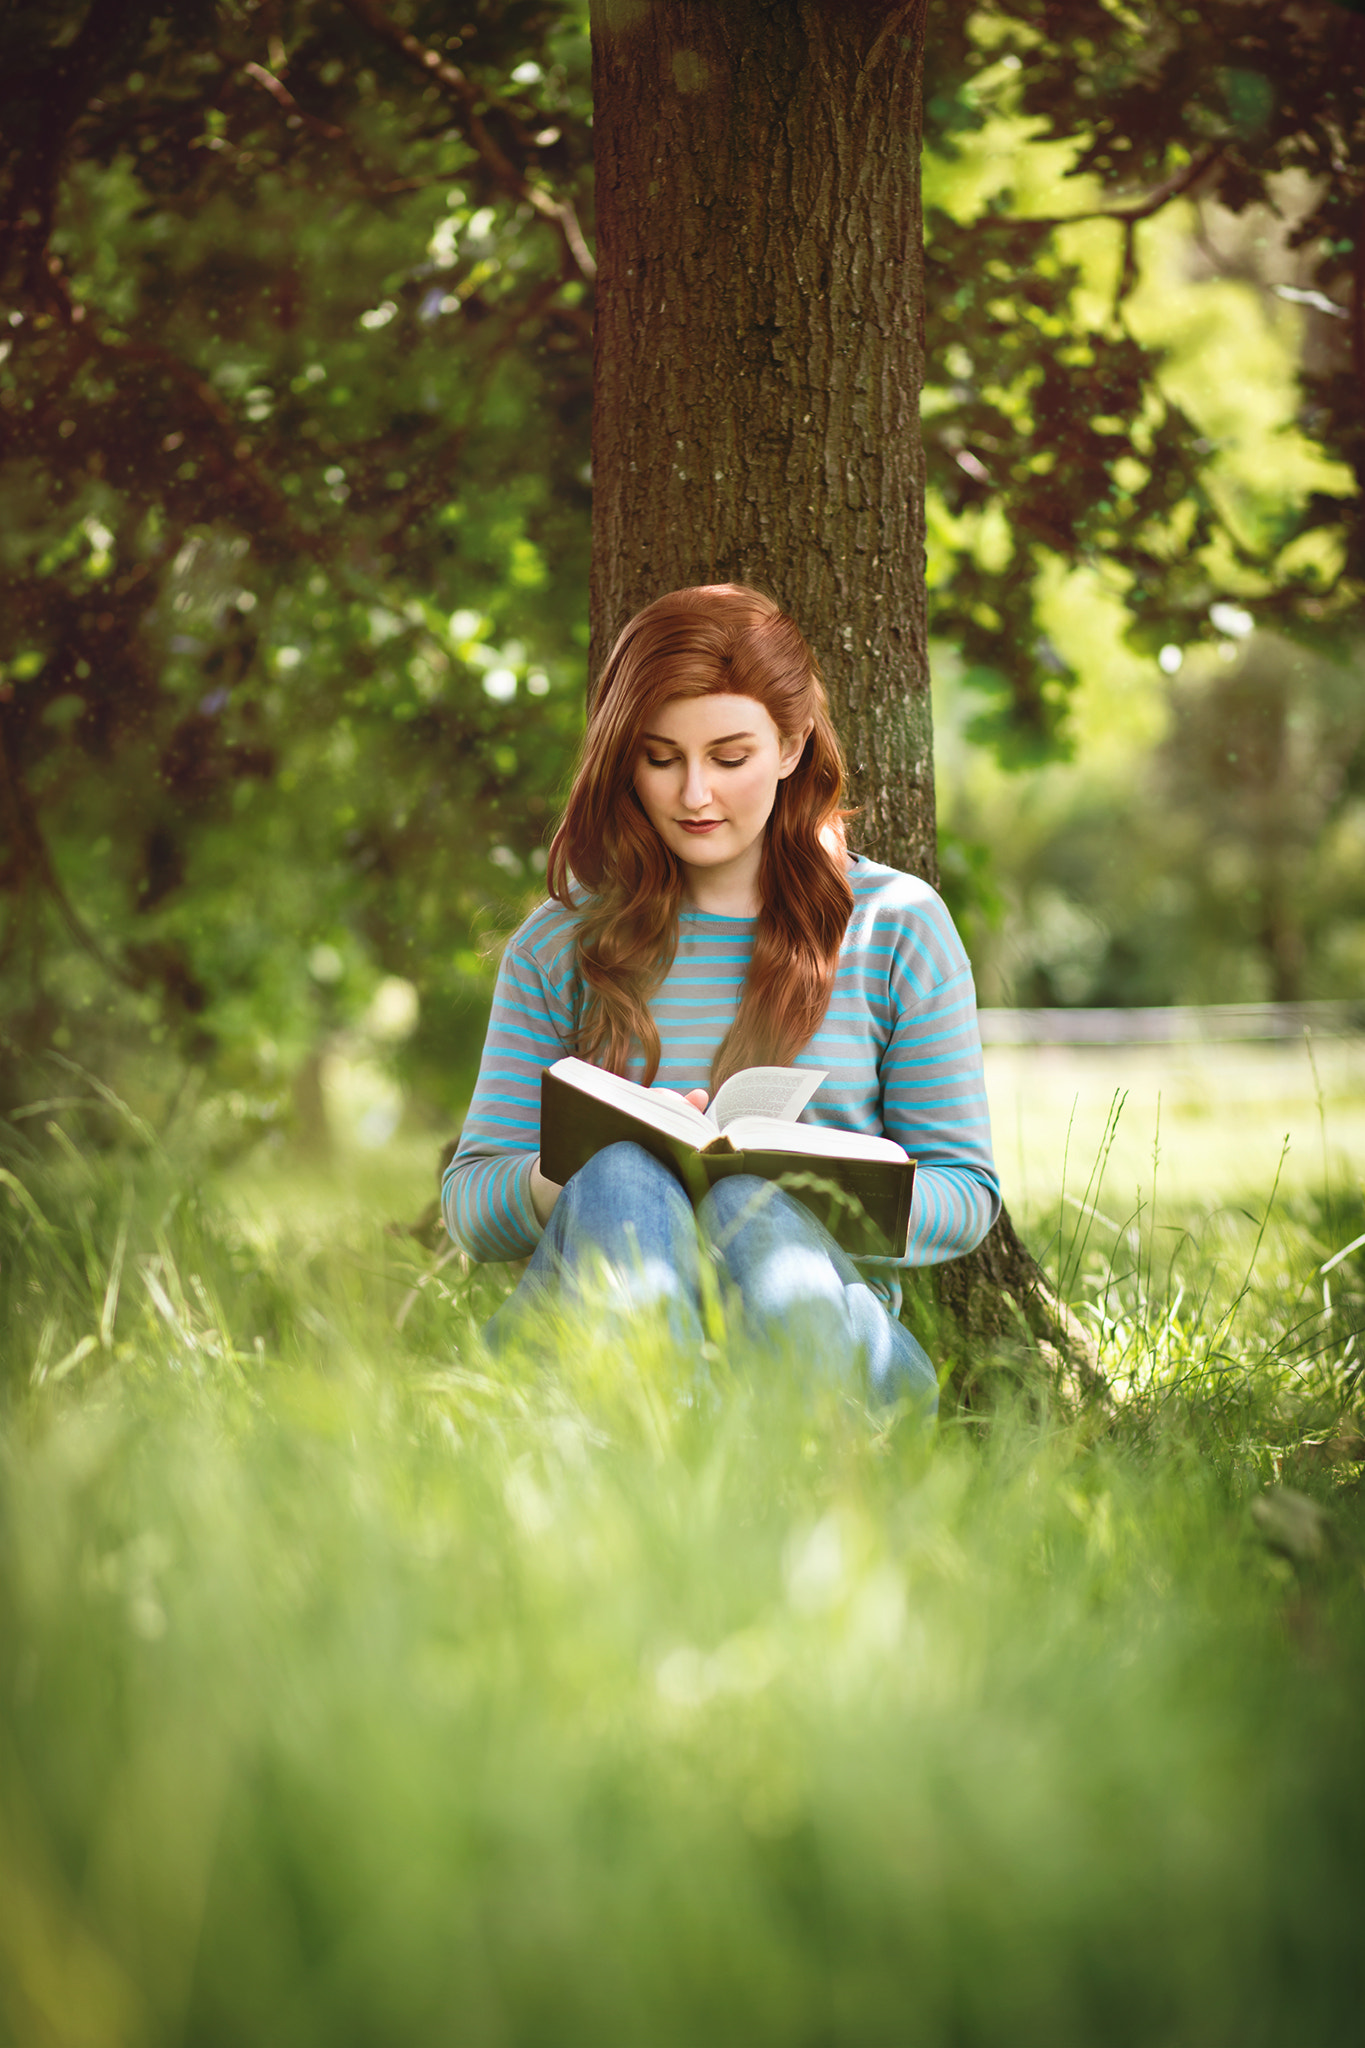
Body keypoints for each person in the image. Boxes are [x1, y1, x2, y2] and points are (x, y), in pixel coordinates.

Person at [442, 584, 1000, 1416]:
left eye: (728, 759)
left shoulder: (896, 926)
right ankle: (653, 1446)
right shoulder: (559, 946)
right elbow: (470, 1204)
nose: (693, 795)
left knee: (750, 1201)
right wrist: (574, 1181)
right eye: (660, 758)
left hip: (821, 1349)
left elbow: (967, 1193)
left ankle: (786, 1455)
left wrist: (822, 1182)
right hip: (607, 1338)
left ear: (791, 744)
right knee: (624, 1174)